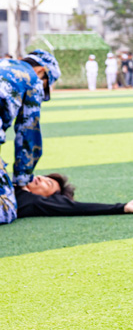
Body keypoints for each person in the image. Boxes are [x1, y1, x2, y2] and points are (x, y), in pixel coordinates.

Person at [0, 50, 61, 225]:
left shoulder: (3, 64)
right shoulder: (32, 80)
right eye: (46, 84)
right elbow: (28, 133)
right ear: (41, 70)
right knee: (7, 209)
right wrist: (22, 180)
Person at [13, 173, 133, 219]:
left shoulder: (35, 202)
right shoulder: (11, 182)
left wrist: (124, 207)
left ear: (52, 199)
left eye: (48, 183)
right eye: (44, 177)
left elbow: (76, 207)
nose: (40, 178)